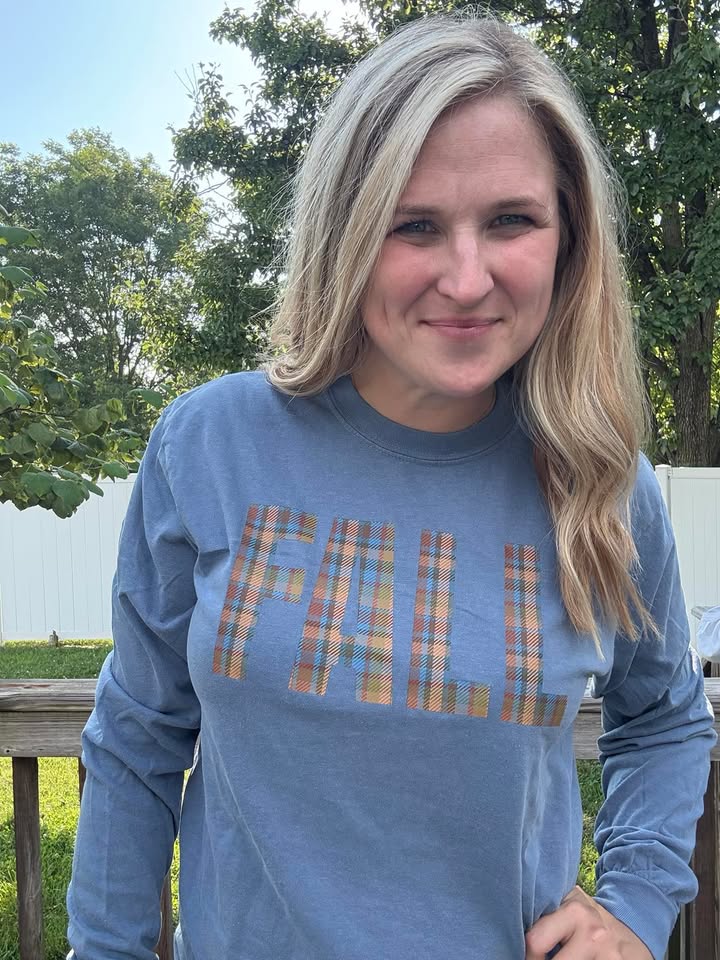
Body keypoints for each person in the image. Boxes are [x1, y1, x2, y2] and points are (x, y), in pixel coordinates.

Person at [66, 13, 717, 960]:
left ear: (568, 238)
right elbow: (137, 734)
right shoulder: (210, 444)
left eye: (512, 220)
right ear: (347, 234)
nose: (467, 279)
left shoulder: (601, 479)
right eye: (414, 226)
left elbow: (663, 719)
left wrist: (636, 910)